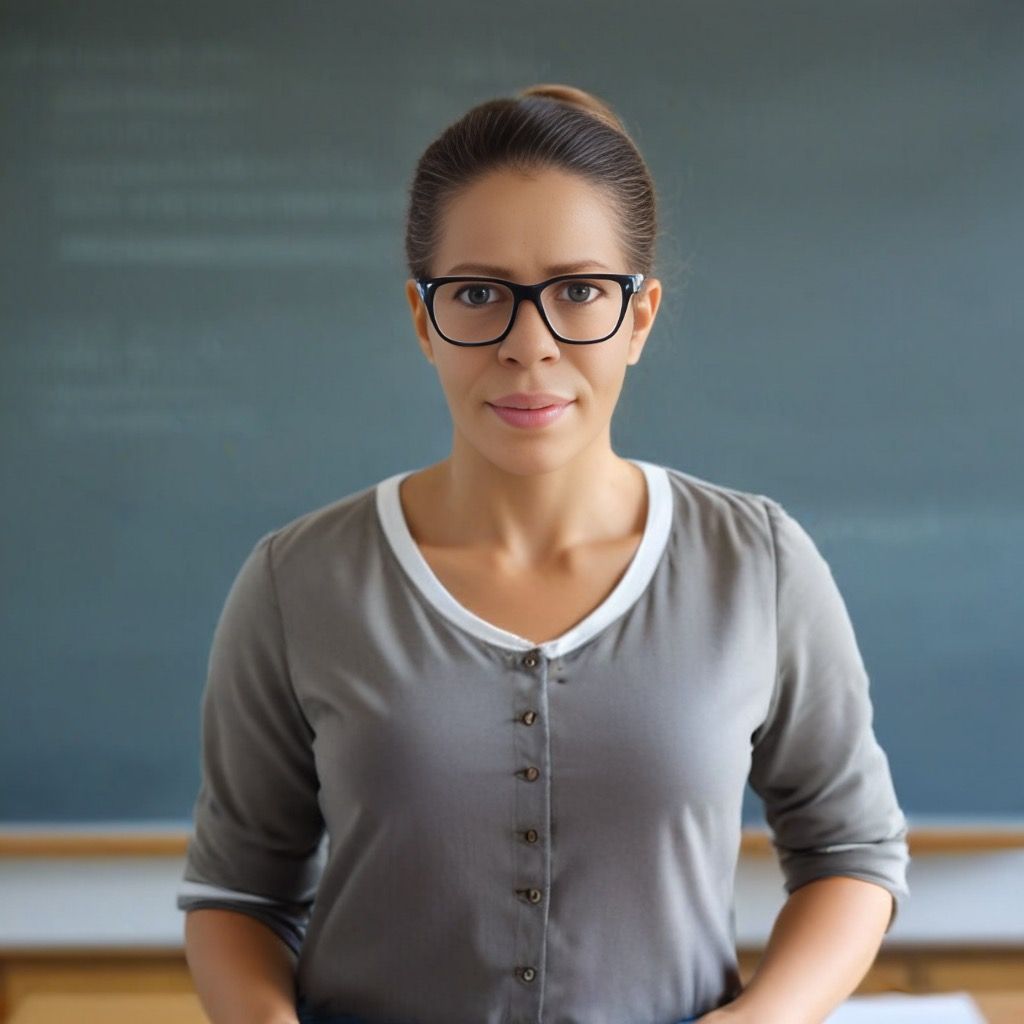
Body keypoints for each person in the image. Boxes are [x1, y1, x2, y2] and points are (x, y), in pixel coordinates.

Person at [177, 84, 910, 1024]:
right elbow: (240, 894)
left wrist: (758, 1021)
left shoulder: (756, 563)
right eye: (478, 295)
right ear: (421, 319)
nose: (529, 346)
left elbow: (851, 851)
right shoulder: (297, 582)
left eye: (579, 292)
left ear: (639, 317)